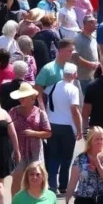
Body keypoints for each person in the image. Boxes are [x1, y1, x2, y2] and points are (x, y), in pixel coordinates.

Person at [44, 62, 82, 193]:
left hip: (53, 125)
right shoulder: (73, 90)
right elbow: (74, 111)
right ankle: (63, 186)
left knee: (53, 156)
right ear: (74, 74)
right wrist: (79, 129)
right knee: (66, 158)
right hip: (67, 127)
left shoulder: (52, 86)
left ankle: (52, 184)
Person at [9, 82, 51, 197]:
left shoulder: (40, 113)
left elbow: (48, 133)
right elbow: (8, 128)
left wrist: (34, 133)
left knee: (37, 177)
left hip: (35, 151)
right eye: (20, 98)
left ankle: (38, 201)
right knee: (17, 177)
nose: (21, 100)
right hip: (19, 150)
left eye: (24, 97)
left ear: (32, 98)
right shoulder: (13, 111)